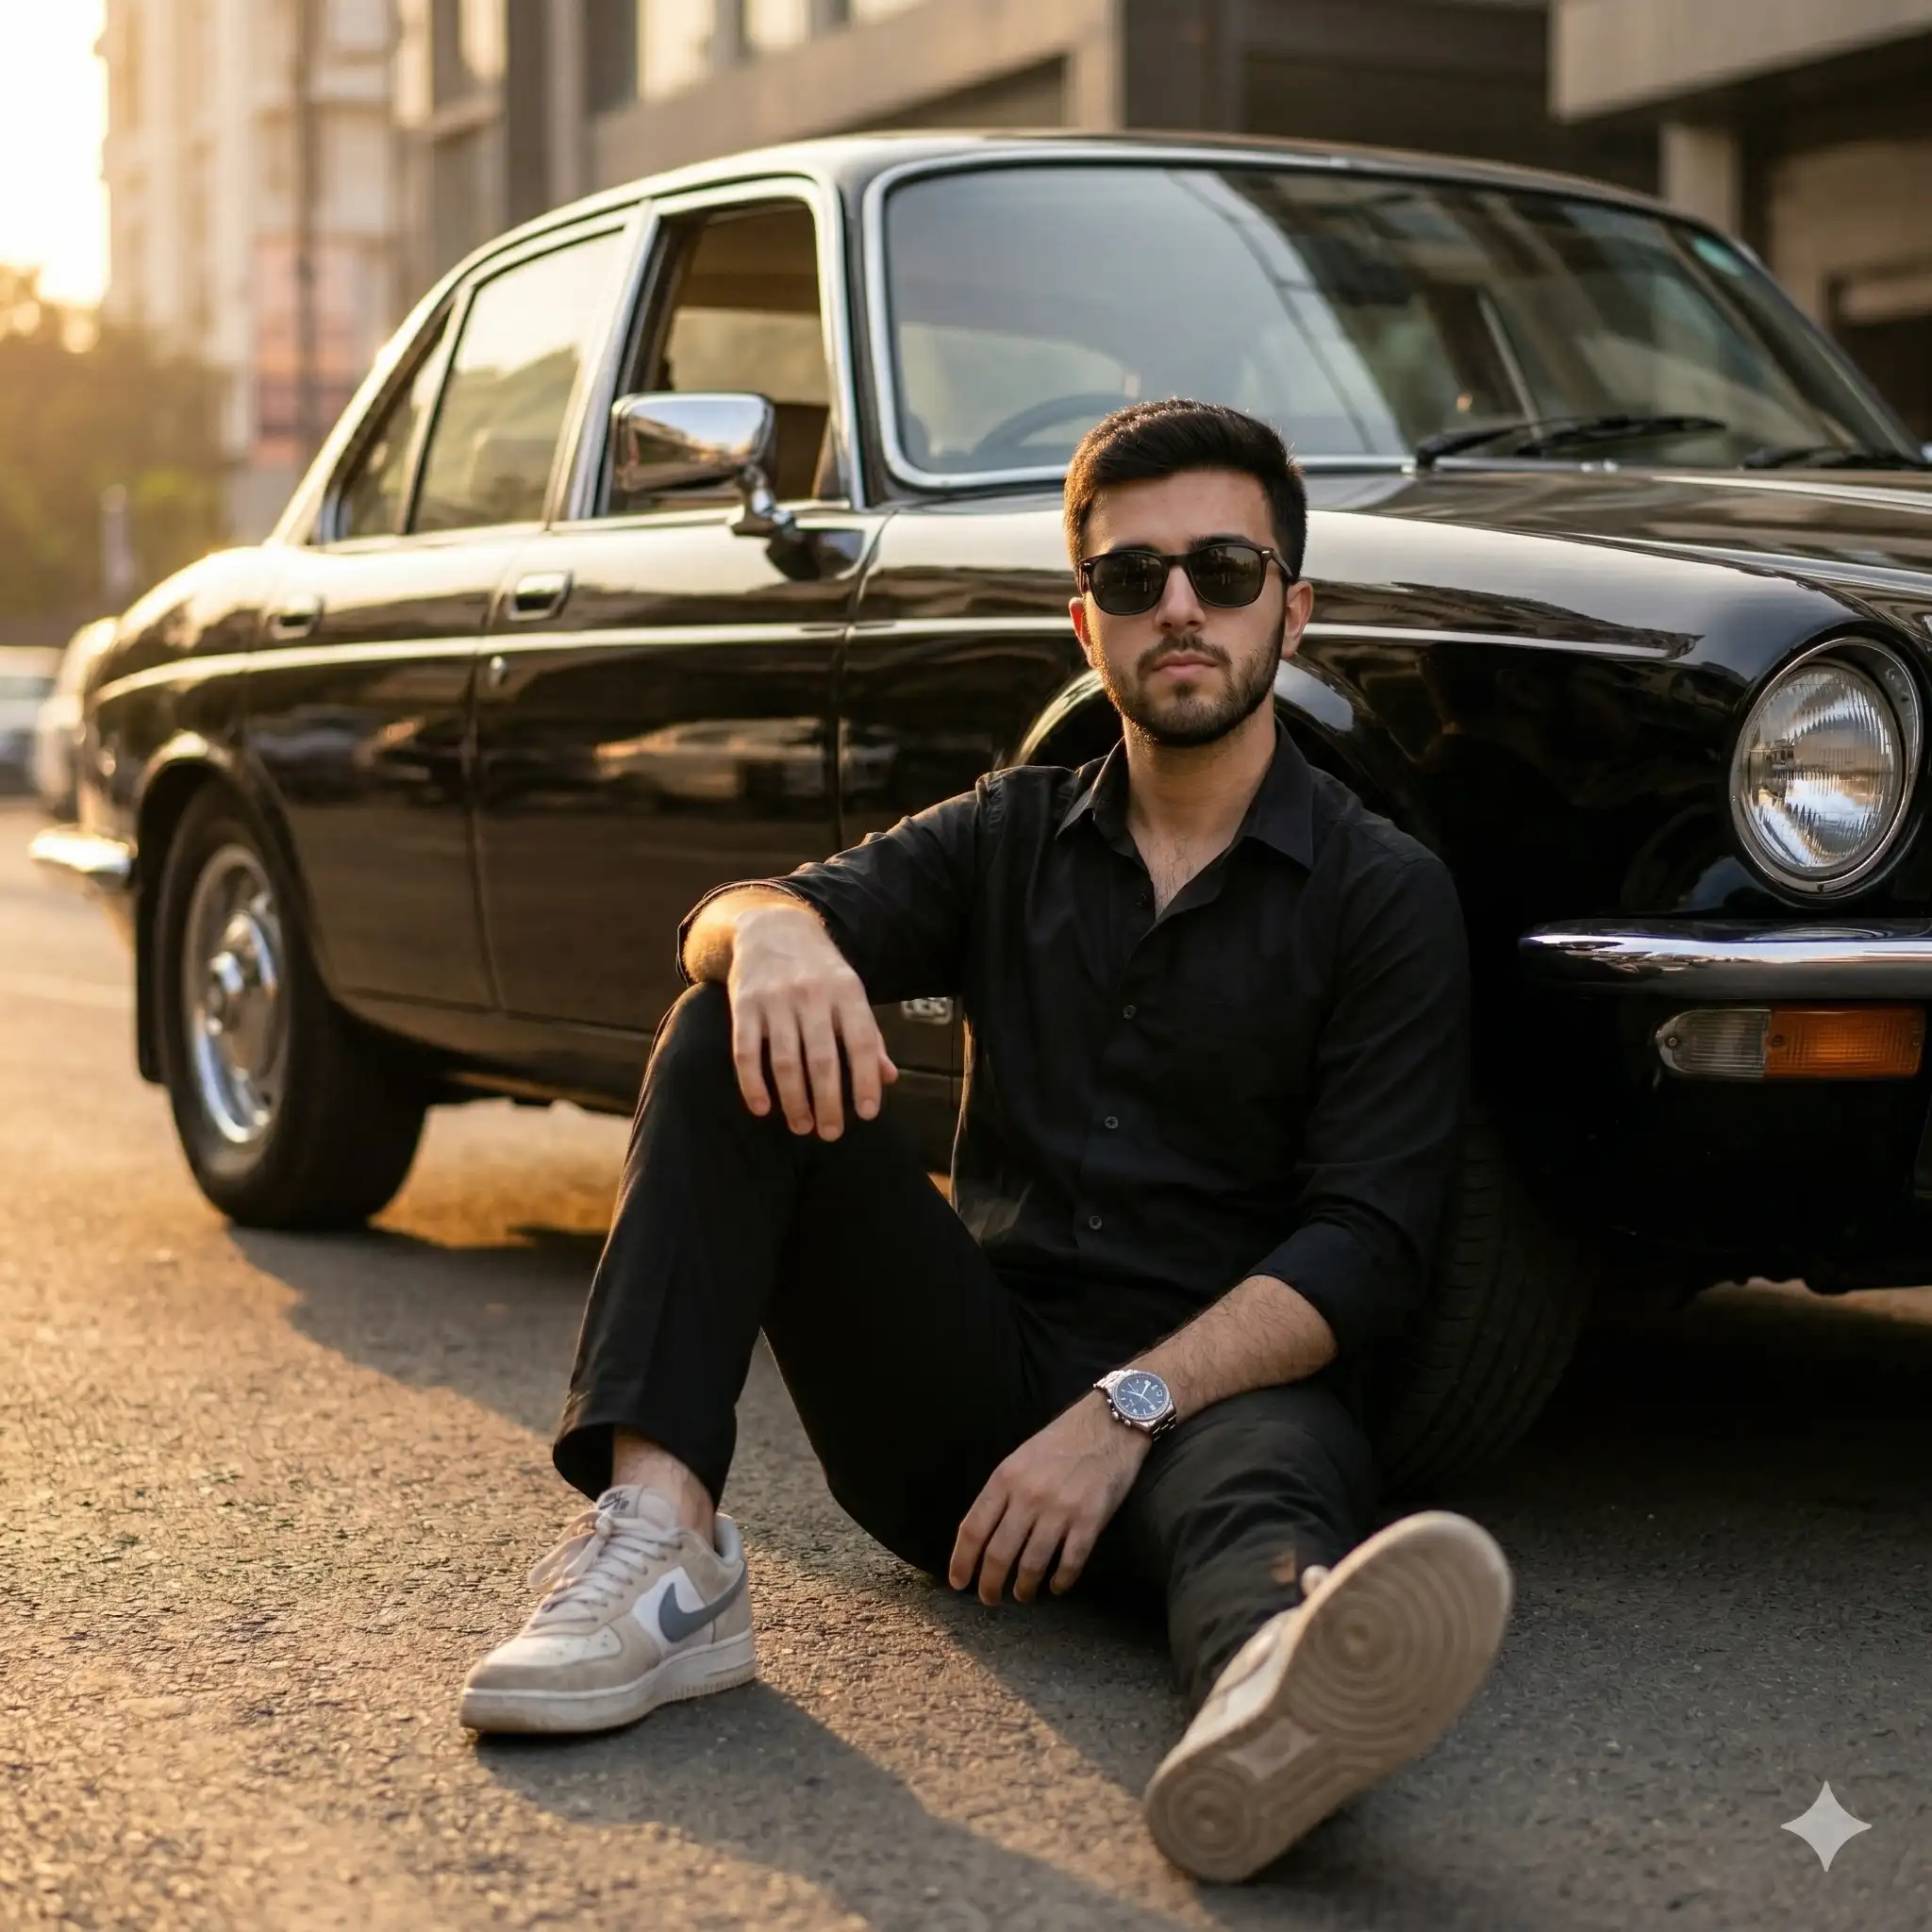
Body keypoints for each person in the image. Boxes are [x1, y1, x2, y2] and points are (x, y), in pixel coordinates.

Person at [460, 399, 1513, 1882]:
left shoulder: (1382, 893)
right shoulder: (1011, 832)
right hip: (972, 1402)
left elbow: (1369, 1249)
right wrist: (768, 933)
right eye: (1135, 581)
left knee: (1258, 1509)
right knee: (724, 1026)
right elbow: (734, 912)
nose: (1184, 610)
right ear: (1085, 625)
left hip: (1221, 1395)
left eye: (1224, 568)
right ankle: (664, 1552)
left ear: (1296, 604)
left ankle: (1276, 1704)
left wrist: (1123, 1416)